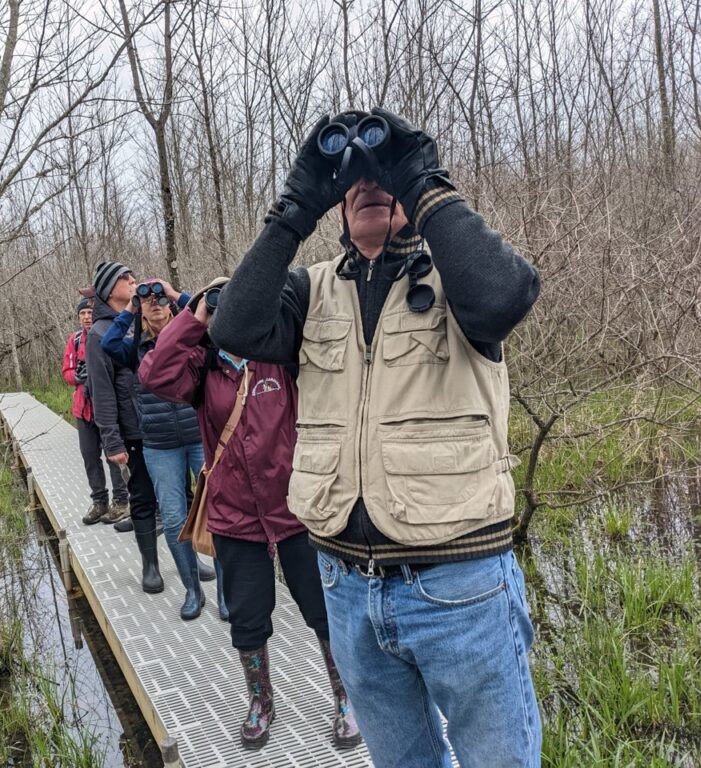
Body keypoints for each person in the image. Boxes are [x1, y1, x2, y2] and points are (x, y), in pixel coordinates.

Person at [209, 108, 542, 767]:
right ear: (334, 207)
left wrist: (419, 178)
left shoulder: (460, 282)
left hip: (461, 587)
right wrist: (296, 205)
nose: (370, 186)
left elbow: (505, 297)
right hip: (347, 588)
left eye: (385, 180)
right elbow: (234, 328)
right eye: (353, 183)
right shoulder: (310, 293)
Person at [140, 279, 360, 751]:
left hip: (297, 507)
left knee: (324, 609)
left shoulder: (280, 355)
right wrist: (193, 314)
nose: (228, 316)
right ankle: (261, 701)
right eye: (220, 309)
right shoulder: (203, 368)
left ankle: (347, 697)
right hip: (234, 513)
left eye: (235, 305)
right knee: (247, 615)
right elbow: (154, 374)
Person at [100, 278, 227, 621]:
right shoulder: (135, 348)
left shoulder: (192, 334)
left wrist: (177, 294)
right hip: (158, 444)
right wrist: (129, 309)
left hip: (200, 436)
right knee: (173, 518)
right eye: (148, 300)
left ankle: (226, 593)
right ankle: (192, 591)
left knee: (220, 513)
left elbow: (217, 321)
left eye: (160, 299)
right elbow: (109, 343)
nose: (154, 303)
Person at [85, 261, 164, 593]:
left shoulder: (141, 321)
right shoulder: (99, 333)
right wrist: (111, 441)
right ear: (108, 289)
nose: (133, 283)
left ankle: (190, 558)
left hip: (162, 424)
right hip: (132, 431)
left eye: (134, 278)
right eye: (125, 279)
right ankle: (150, 565)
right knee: (143, 498)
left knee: (180, 498)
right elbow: (101, 393)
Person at [62, 295, 130, 526]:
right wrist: (77, 377)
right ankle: (100, 501)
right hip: (83, 409)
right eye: (82, 314)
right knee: (90, 456)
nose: (86, 317)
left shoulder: (105, 335)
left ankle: (121, 501)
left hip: (105, 407)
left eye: (89, 313)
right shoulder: (75, 340)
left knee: (113, 455)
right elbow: (66, 372)